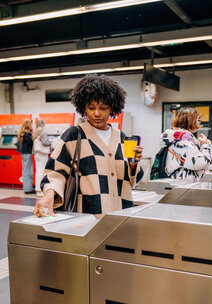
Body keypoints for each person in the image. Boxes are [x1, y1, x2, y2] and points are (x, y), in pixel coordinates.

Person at [33, 74, 143, 217]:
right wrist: (49, 194)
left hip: (122, 214)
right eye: (91, 108)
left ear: (112, 108)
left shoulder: (122, 138)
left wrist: (133, 165)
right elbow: (55, 171)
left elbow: (131, 180)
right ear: (84, 107)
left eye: (103, 108)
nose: (97, 113)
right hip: (88, 217)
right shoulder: (74, 136)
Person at [153, 107, 212, 181]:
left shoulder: (179, 139)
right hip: (181, 187)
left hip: (182, 185)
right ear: (190, 121)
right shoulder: (182, 142)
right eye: (198, 119)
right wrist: (206, 144)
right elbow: (201, 163)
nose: (199, 122)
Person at [32, 119, 51, 197]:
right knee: (42, 171)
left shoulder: (35, 131)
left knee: (38, 170)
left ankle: (37, 189)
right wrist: (50, 142)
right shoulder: (43, 131)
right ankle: (41, 189)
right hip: (42, 153)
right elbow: (44, 142)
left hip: (37, 153)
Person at [17, 119, 35, 194]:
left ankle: (27, 188)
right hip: (27, 154)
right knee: (28, 171)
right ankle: (28, 189)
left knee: (25, 170)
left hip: (23, 154)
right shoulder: (27, 134)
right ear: (28, 125)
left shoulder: (21, 133)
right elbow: (31, 142)